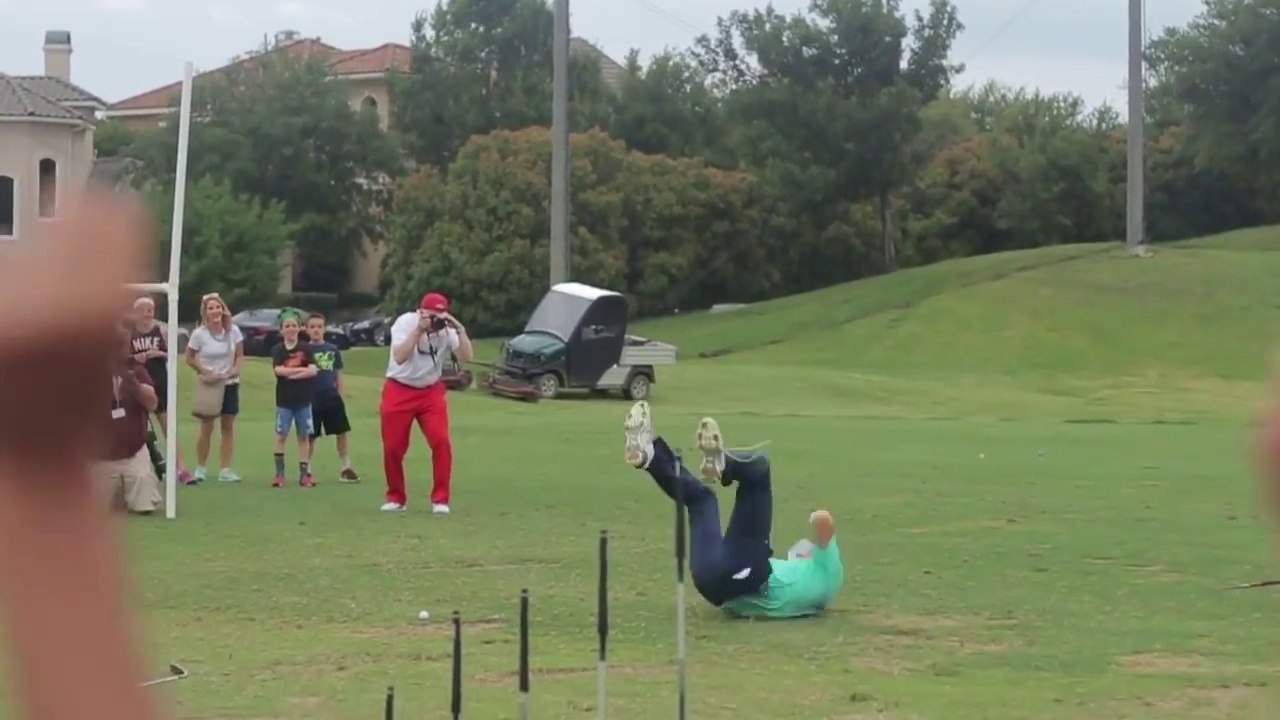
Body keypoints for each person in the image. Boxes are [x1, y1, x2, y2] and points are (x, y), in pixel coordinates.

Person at [0, 190, 169, 720]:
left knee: (138, 509)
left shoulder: (133, 370)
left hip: (128, 455)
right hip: (92, 464)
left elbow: (152, 403)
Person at [622, 401, 845, 618]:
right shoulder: (803, 594)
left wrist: (817, 517)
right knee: (702, 500)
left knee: (759, 471)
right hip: (710, 584)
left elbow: (824, 523)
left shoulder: (829, 576)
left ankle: (724, 464)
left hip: (749, 574)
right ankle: (649, 456)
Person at [380, 292, 474, 515]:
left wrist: (459, 329)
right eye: (432, 316)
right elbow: (400, 356)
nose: (436, 321)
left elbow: (467, 357)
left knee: (441, 441)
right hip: (399, 388)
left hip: (430, 391)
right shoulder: (405, 323)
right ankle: (396, 497)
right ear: (421, 312)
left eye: (440, 316)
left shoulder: (446, 330)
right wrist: (419, 330)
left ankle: (440, 499)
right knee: (393, 447)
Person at [98, 329, 165, 515]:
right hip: (100, 456)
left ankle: (126, 491)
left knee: (144, 506)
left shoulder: (137, 370)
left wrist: (133, 382)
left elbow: (152, 403)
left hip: (133, 452)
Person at [129, 296, 192, 484]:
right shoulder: (129, 333)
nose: (148, 314)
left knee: (167, 425)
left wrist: (158, 353)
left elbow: (172, 353)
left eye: (151, 310)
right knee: (140, 428)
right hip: (139, 382)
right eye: (144, 310)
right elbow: (124, 357)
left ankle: (181, 468)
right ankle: (148, 468)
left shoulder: (160, 331)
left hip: (159, 381)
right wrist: (136, 357)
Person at [184, 292, 244, 483]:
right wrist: (204, 370)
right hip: (210, 385)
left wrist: (236, 369)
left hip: (229, 383)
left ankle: (225, 469)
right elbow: (189, 358)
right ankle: (201, 468)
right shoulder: (199, 334)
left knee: (228, 426)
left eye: (218, 307)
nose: (215, 311)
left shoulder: (233, 331)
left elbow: (241, 355)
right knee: (206, 426)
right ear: (206, 313)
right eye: (211, 308)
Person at [306, 312, 359, 482]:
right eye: (312, 327)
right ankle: (306, 468)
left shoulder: (332, 349)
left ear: (324, 329)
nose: (316, 330)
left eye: (319, 327)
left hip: (331, 396)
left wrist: (340, 394)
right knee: (310, 435)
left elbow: (338, 374)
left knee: (341, 432)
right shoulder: (304, 351)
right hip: (311, 398)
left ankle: (345, 467)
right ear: (306, 330)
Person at [271, 310, 319, 488]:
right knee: (281, 434)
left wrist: (293, 374)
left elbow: (313, 370)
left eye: (293, 326)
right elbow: (278, 371)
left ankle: (304, 474)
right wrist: (300, 371)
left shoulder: (305, 348)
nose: (291, 329)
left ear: (299, 328)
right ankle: (279, 474)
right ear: (281, 330)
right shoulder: (278, 350)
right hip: (284, 401)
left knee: (304, 436)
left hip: (303, 401)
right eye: (287, 326)